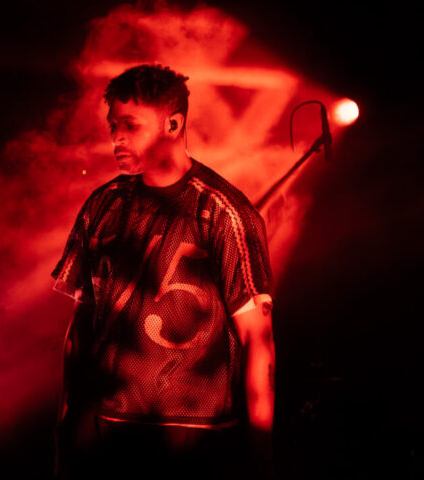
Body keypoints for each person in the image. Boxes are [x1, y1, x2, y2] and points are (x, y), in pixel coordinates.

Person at [51, 64, 275, 479]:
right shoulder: (102, 205)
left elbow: (257, 340)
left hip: (192, 437)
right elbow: (79, 329)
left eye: (130, 125)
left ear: (173, 124)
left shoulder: (223, 213)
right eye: (113, 125)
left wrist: (260, 453)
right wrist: (65, 424)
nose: (116, 137)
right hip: (102, 429)